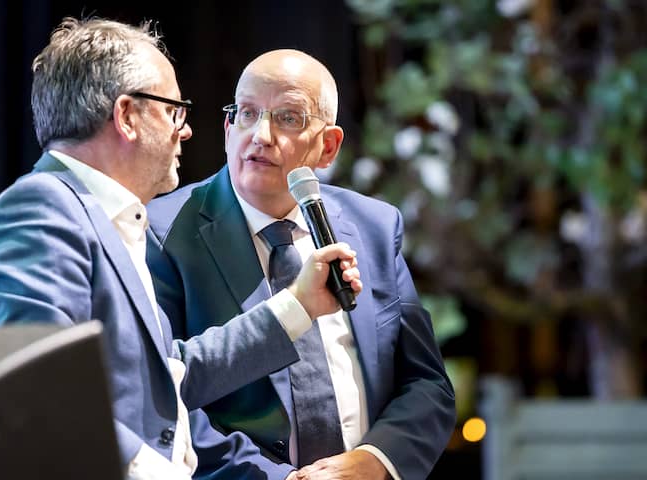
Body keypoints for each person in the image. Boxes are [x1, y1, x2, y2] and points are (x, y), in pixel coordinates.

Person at [0, 21, 362, 480]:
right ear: (127, 116)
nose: (186, 131)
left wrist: (298, 305)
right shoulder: (42, 207)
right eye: (173, 111)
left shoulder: (106, 220)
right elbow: (43, 388)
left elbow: (169, 374)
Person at [146, 49, 456, 480]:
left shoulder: (373, 226)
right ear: (227, 129)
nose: (261, 135)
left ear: (328, 146)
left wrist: (375, 460)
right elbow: (160, 396)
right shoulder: (161, 232)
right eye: (247, 114)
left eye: (288, 118)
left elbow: (426, 384)